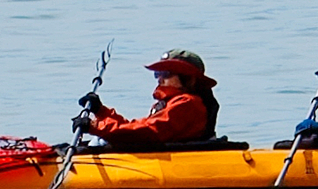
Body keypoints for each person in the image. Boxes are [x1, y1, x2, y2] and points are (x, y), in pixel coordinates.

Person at [75, 52, 221, 150]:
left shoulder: (187, 104)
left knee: (100, 142)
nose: (159, 78)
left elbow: (148, 133)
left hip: (181, 158)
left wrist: (96, 127)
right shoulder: (170, 104)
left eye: (166, 73)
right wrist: (101, 112)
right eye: (158, 73)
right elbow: (136, 127)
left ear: (188, 78)